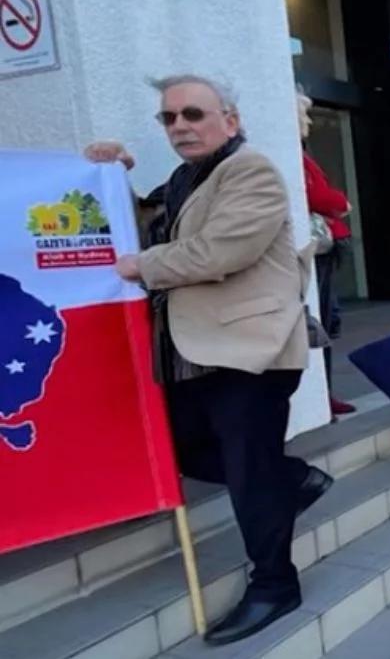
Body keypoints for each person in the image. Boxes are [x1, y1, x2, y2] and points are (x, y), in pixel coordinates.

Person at [84, 74, 333, 645]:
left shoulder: (252, 172)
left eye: (193, 114)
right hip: (192, 353)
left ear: (230, 120)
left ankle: (275, 584)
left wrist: (140, 267)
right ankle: (290, 479)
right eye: (169, 118)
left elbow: (220, 251)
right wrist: (108, 179)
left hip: (252, 352)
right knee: (186, 448)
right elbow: (146, 232)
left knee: (248, 468)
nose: (180, 127)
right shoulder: (181, 179)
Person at [297, 90, 356, 418]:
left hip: (328, 248)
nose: (308, 122)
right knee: (321, 319)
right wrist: (341, 203)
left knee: (329, 318)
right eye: (303, 115)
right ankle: (322, 395)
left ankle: (324, 391)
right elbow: (317, 194)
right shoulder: (294, 153)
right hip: (318, 250)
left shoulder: (303, 153)